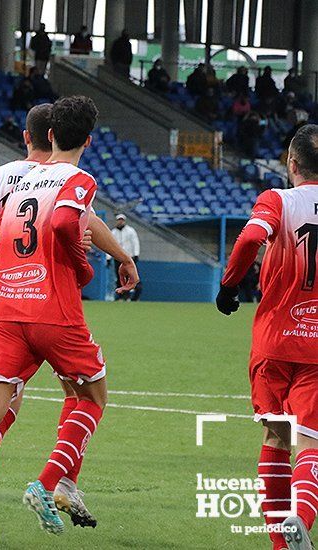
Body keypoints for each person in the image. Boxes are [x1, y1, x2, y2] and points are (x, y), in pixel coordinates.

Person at [0, 103, 138, 542]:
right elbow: (68, 220)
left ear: (32, 136)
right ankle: (51, 481)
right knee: (88, 396)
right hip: (51, 309)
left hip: (3, 306)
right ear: (84, 140)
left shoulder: (3, 177)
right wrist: (85, 267)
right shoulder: (74, 181)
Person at [215, 123, 318, 550]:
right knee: (311, 440)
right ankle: (303, 518)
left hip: (275, 338)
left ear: (291, 164)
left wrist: (229, 283)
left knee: (276, 436)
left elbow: (251, 237)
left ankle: (279, 541)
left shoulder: (278, 200)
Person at [111, 214, 141, 301]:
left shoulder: (130, 231)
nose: (120, 221)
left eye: (122, 220)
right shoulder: (113, 232)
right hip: (118, 258)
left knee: (132, 277)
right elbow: (110, 245)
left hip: (129, 258)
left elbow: (135, 242)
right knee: (119, 277)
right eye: (119, 220)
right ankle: (122, 296)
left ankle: (133, 297)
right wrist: (108, 258)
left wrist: (136, 254)